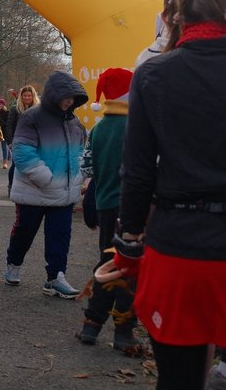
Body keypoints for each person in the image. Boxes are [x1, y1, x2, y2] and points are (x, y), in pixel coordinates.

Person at [100, 0, 226, 389]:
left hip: (180, 247)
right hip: (186, 241)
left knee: (178, 381)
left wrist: (128, 245)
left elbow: (136, 174)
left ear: (180, 13)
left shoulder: (155, 74)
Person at [4, 70, 88, 299]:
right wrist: (47, 179)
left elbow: (81, 151)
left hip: (64, 192)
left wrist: (79, 176)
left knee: (60, 235)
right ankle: (14, 262)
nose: (70, 100)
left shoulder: (74, 122)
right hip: (34, 191)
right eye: (66, 95)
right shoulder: (31, 117)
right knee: (24, 231)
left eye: (74, 97)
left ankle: (55, 277)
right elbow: (22, 152)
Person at [75, 67, 141, 354]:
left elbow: (87, 167)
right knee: (129, 267)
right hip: (134, 206)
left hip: (105, 203)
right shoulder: (140, 126)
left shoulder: (99, 128)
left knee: (106, 261)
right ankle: (124, 331)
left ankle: (91, 324)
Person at [4, 85, 39, 192]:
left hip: (34, 143)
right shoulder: (15, 109)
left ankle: (28, 187)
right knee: (16, 165)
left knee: (32, 166)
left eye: (29, 96)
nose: (27, 98)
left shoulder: (39, 110)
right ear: (21, 96)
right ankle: (11, 186)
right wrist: (10, 142)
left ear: (33, 96)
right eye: (24, 96)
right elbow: (9, 126)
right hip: (18, 142)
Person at [0, 98, 11, 171]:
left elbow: (6, 124)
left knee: (4, 148)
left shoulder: (7, 112)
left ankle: (5, 163)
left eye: (1, 104)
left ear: (4, 105)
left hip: (4, 133)